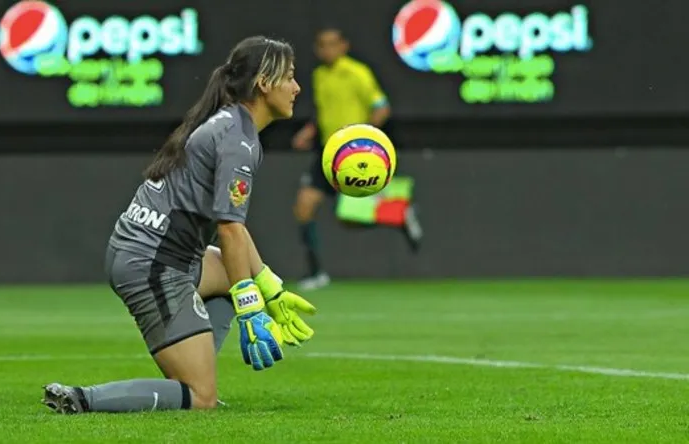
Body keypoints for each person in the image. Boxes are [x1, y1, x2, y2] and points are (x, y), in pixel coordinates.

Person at [41, 36, 317, 414]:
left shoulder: (228, 123)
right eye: (289, 76)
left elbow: (235, 229)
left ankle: (193, 360)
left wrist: (271, 288)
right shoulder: (237, 140)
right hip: (153, 264)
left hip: (160, 253)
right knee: (200, 399)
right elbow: (230, 229)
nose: (297, 87)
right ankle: (82, 398)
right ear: (264, 83)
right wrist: (252, 308)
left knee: (228, 277)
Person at [292, 27, 420, 291]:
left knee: (349, 219)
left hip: (354, 154)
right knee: (303, 207)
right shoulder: (319, 76)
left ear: (344, 46)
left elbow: (381, 108)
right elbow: (325, 112)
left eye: (332, 44)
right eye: (322, 45)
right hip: (328, 152)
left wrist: (365, 139)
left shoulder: (357, 73)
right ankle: (316, 273)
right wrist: (309, 131)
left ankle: (398, 212)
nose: (327, 50)